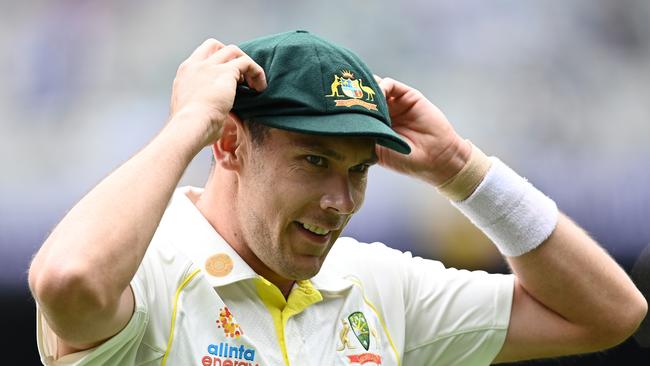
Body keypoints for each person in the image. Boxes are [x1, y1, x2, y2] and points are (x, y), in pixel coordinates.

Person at [28, 30, 646, 366]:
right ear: (230, 147)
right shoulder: (146, 275)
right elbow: (68, 278)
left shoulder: (379, 287)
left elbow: (610, 313)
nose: (339, 200)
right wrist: (190, 123)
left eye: (357, 171)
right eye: (315, 161)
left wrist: (464, 170)